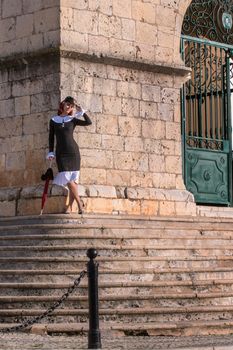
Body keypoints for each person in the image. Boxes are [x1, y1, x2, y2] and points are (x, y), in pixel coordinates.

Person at [47, 96, 92, 214]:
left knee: (73, 181)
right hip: (61, 153)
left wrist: (82, 111)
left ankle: (69, 207)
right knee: (68, 179)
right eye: (68, 104)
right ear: (62, 105)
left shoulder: (72, 120)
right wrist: (50, 152)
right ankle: (80, 204)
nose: (69, 107)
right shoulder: (53, 120)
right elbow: (51, 138)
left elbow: (88, 122)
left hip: (73, 153)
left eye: (71, 106)